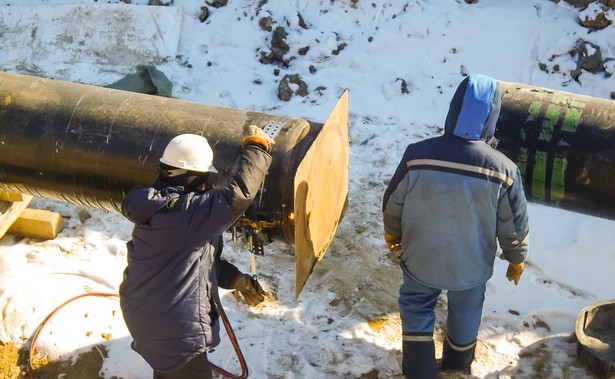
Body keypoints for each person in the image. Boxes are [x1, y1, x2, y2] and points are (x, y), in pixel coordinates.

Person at [382, 74, 530, 379]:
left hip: (421, 257)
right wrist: (516, 258)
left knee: (417, 308)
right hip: (471, 265)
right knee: (466, 312)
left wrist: (392, 233)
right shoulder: (504, 170)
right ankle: (456, 369)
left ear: (453, 110)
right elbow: (513, 224)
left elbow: (393, 202)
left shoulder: (416, 154)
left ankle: (421, 373)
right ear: (492, 119)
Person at [119, 125, 274, 379]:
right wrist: (256, 147)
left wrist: (236, 280)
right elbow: (238, 195)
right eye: (204, 179)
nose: (206, 185)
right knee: (184, 370)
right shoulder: (187, 213)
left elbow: (193, 262)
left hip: (147, 314)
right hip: (174, 327)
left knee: (170, 371)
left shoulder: (158, 206)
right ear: (191, 177)